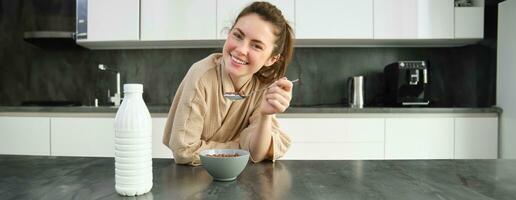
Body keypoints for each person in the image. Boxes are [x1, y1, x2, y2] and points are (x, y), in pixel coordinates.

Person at [162, 1, 295, 166]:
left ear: (271, 59)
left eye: (256, 46)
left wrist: (265, 115)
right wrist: (239, 147)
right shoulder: (201, 75)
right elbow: (184, 151)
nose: (241, 49)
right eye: (238, 36)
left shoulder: (262, 89)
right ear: (229, 33)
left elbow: (257, 153)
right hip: (194, 179)